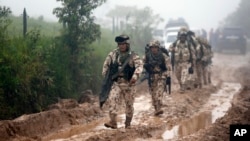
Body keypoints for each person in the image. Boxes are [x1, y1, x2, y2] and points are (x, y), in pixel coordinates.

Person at [102, 34, 143, 129]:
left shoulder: (133, 55)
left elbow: (139, 66)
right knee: (112, 101)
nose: (121, 46)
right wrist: (106, 77)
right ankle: (113, 122)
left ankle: (127, 123)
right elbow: (106, 66)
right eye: (120, 44)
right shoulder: (113, 54)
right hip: (116, 83)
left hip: (129, 84)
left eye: (123, 44)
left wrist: (135, 76)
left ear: (127, 44)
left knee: (129, 105)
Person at [143, 39, 171, 116]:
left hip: (161, 76)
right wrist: (146, 66)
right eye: (152, 47)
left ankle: (159, 108)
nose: (154, 49)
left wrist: (168, 76)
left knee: (159, 92)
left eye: (155, 47)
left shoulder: (163, 56)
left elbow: (169, 66)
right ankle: (156, 109)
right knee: (153, 95)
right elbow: (141, 63)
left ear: (158, 48)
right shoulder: (147, 56)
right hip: (152, 77)